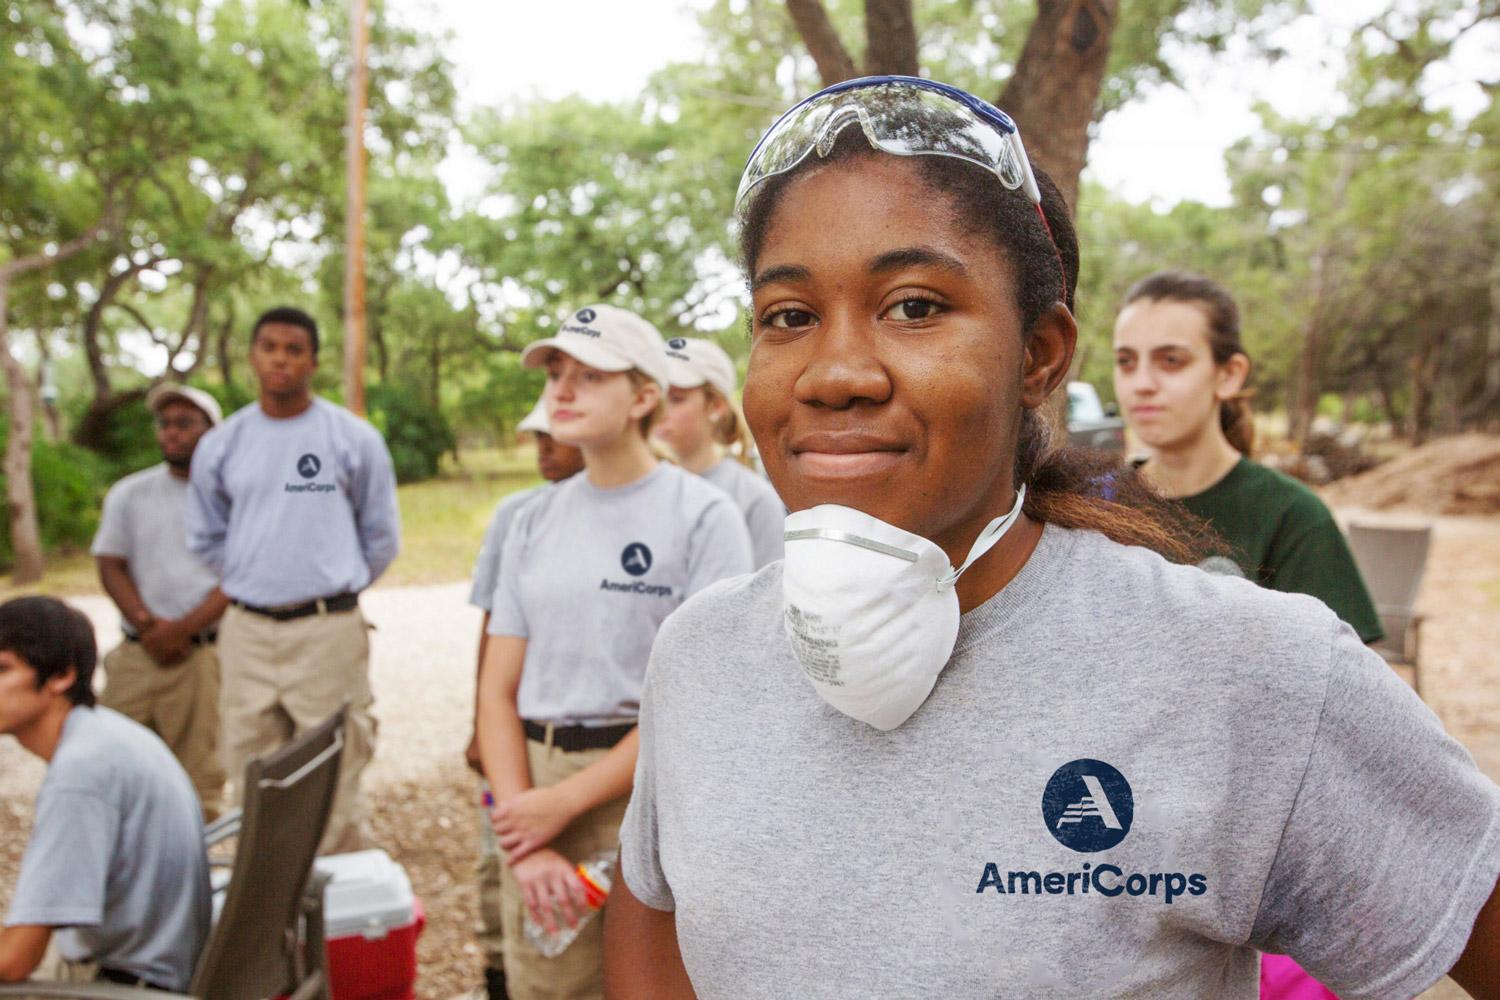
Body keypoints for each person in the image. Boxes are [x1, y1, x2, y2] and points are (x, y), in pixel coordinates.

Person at [603, 77, 1500, 999]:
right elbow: (652, 939)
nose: (834, 373)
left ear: (1039, 356)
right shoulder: (700, 656)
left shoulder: (1251, 671)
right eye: (789, 316)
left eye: (914, 305)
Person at [476, 303, 753, 1000]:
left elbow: (702, 701)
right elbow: (495, 691)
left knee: (659, 982)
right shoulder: (529, 519)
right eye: (556, 373)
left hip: (650, 786)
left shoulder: (703, 516)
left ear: (643, 396)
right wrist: (527, 832)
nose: (560, 390)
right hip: (536, 787)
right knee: (550, 986)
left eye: (589, 375)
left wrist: (566, 802)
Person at [186, 305, 400, 853]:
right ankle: (263, 918)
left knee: (335, 773)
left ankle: (335, 917)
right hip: (248, 633)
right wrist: (260, 579)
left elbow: (380, 538)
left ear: (313, 360)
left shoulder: (352, 438)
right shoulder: (224, 443)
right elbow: (208, 538)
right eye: (270, 347)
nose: (281, 359)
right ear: (252, 356)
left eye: (294, 349)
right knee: (250, 769)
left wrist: (327, 586)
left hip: (326, 631)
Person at [1113, 270, 1383, 644]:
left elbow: (1353, 686)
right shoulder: (1098, 503)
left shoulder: (1291, 516)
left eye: (1171, 360)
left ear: (1229, 375)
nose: (1142, 383)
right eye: (1126, 362)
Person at [0, 596, 210, 991]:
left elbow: (14, 962)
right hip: (159, 963)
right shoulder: (107, 734)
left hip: (124, 985)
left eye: (2, 669)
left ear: (61, 676)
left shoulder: (80, 775)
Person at [464, 395, 585, 1000]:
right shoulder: (518, 514)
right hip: (519, 725)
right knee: (502, 858)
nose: (543, 447)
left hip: (588, 740)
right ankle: (497, 973)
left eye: (552, 436)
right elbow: (492, 626)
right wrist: (477, 725)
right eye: (534, 437)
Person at [92, 382, 228, 819]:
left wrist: (183, 628)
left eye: (185, 423)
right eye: (164, 423)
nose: (171, 432)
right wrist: (147, 624)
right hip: (138, 652)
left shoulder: (232, 497)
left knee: (200, 785)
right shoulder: (130, 493)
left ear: (212, 431)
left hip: (201, 656)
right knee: (113, 772)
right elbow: (111, 563)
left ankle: (198, 880)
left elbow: (240, 576)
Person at [654, 336, 785, 568]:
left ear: (715, 406)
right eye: (655, 395)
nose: (659, 411)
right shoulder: (628, 486)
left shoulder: (755, 498)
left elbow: (766, 596)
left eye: (676, 398)